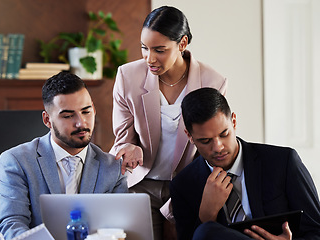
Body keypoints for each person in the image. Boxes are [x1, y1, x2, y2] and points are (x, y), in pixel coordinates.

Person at [110, 5, 227, 239]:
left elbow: (210, 142)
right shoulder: (128, 76)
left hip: (187, 185)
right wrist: (129, 147)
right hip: (140, 184)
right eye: (144, 48)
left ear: (182, 44)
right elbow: (122, 138)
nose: (149, 58)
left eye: (159, 50)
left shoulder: (212, 82)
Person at [170, 87, 320, 240]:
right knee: (205, 231)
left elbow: (317, 231)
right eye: (205, 141)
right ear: (190, 136)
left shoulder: (283, 161)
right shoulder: (183, 185)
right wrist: (207, 215)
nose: (218, 147)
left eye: (224, 134)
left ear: (234, 121)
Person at [0, 72, 128, 240]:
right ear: (47, 120)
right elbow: (9, 225)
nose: (81, 123)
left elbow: (120, 228)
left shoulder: (113, 167)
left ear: (93, 109)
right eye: (68, 116)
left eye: (86, 112)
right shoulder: (16, 162)